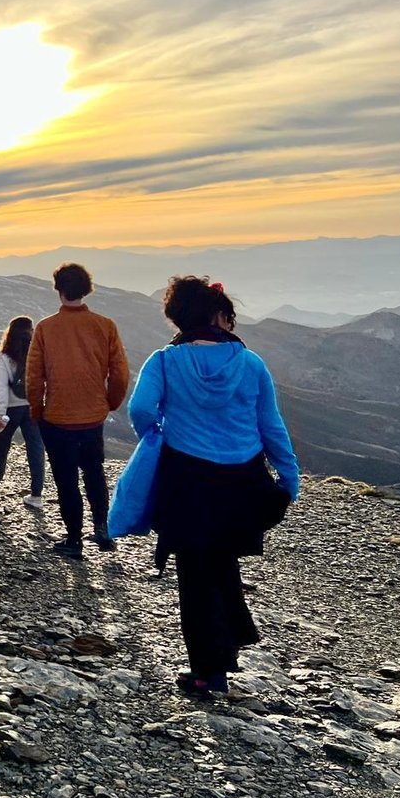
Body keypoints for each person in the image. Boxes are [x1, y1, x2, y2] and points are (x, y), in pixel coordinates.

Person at [125, 276, 299, 697]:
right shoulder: (252, 364)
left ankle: (208, 671)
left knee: (194, 575)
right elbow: (270, 426)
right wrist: (288, 476)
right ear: (218, 316)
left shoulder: (164, 362)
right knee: (224, 564)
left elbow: (141, 409)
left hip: (188, 483)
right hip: (242, 483)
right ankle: (225, 655)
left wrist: (161, 434)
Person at [26, 262, 130, 558]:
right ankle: (103, 530)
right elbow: (120, 373)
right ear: (87, 289)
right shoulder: (105, 325)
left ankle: (74, 540)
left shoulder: (46, 328)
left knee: (66, 479)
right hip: (92, 416)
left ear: (58, 289)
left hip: (57, 417)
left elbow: (34, 377)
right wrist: (109, 401)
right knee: (94, 472)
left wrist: (37, 410)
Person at [0, 315, 46, 509]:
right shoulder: (38, 353)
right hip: (33, 407)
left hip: (10, 408)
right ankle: (36, 495)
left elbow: (1, 387)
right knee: (36, 449)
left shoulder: (3, 355)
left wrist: (0, 414)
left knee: (2, 446)